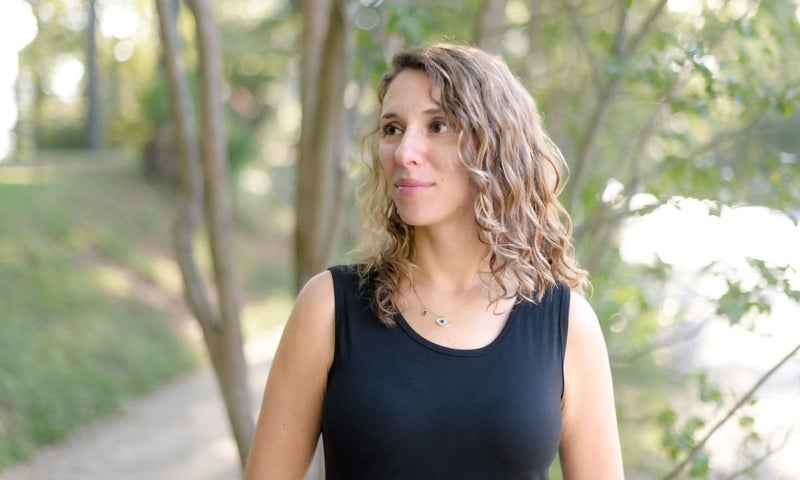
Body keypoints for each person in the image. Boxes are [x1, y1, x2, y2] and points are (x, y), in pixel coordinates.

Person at [244, 43, 624, 479]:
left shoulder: (566, 324)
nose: (404, 151)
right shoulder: (329, 306)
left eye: (437, 125)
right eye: (392, 128)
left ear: (495, 146)